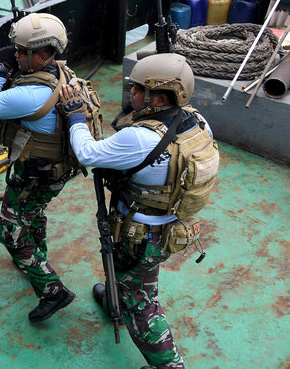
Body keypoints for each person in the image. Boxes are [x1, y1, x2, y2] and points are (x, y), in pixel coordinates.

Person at [61, 53, 211, 369]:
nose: (132, 92)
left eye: (139, 89)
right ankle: (116, 293)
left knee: (141, 304)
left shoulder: (139, 138)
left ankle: (169, 364)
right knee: (138, 278)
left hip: (140, 235)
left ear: (158, 97)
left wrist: (75, 114)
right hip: (169, 225)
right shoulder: (196, 122)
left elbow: (88, 154)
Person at [0, 13, 77, 322]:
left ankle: (52, 291)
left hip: (37, 172)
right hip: (53, 169)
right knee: (33, 213)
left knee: (10, 230)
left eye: (21, 52)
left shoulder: (32, 93)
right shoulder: (60, 70)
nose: (16, 56)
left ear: (42, 55)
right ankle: (37, 255)